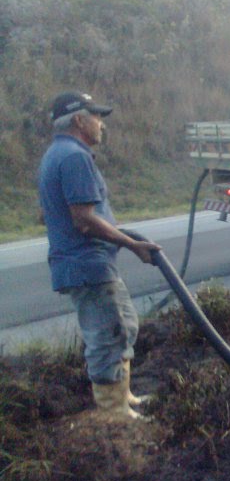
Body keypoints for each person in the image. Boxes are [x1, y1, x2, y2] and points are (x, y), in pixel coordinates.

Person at [38, 91, 162, 420]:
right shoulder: (74, 158)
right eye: (97, 117)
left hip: (86, 263)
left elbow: (50, 211)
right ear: (80, 120)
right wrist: (132, 244)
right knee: (109, 334)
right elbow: (83, 220)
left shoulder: (57, 154)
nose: (101, 125)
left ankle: (123, 397)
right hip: (87, 264)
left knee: (122, 326)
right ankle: (114, 414)